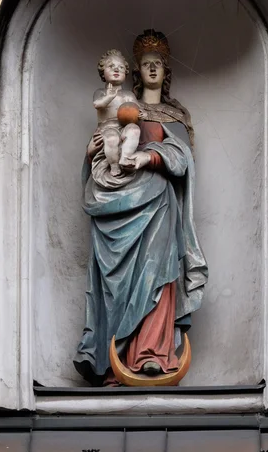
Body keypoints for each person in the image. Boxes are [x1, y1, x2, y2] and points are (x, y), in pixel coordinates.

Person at [74, 29, 208, 385]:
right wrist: (91, 153)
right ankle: (111, 356)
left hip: (159, 204)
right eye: (146, 65)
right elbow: (100, 156)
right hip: (116, 206)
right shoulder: (119, 108)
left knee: (157, 273)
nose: (152, 70)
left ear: (167, 72)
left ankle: (152, 354)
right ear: (136, 71)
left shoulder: (175, 115)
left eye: (158, 65)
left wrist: (149, 156)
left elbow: (182, 160)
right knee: (115, 280)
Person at [92, 49, 141, 178]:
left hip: (124, 126)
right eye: (111, 66)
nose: (116, 69)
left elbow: (137, 109)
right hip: (107, 128)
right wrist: (109, 97)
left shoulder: (129, 94)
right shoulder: (101, 92)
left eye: (121, 67)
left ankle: (125, 157)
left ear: (125, 72)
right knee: (112, 139)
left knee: (134, 130)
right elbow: (98, 104)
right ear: (103, 72)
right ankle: (114, 165)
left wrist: (141, 115)